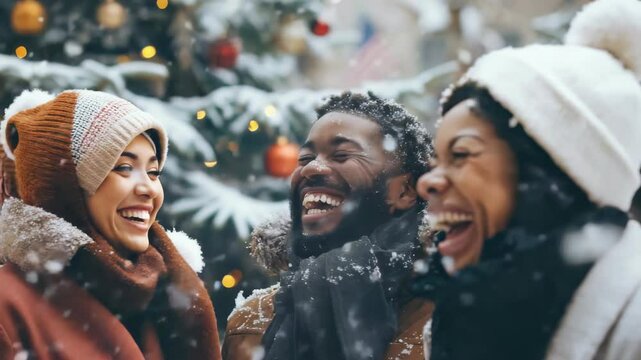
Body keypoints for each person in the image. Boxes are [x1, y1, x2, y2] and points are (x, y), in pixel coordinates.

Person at [412, 0, 641, 359]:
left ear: (552, 169)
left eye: (460, 154)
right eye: (435, 161)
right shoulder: (464, 316)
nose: (427, 183)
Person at [0, 89, 221, 359]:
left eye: (153, 172)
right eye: (123, 168)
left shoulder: (166, 293)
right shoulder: (9, 304)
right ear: (67, 187)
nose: (149, 189)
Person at [223, 91, 433, 360]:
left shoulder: (455, 325)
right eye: (305, 159)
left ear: (404, 190)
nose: (311, 169)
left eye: (342, 155)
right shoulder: (250, 321)